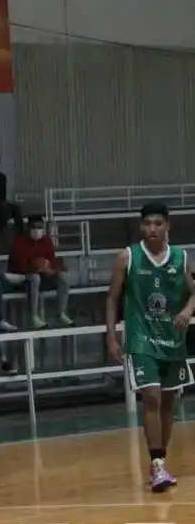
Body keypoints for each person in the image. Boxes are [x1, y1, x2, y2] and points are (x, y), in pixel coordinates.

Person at [105, 202, 195, 492]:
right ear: (141, 226)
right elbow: (111, 298)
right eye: (146, 223)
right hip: (141, 340)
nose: (151, 229)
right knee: (152, 398)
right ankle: (157, 464)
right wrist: (111, 336)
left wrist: (187, 311)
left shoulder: (181, 258)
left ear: (168, 225)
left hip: (172, 341)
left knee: (169, 403)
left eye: (157, 223)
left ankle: (160, 460)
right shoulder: (127, 257)